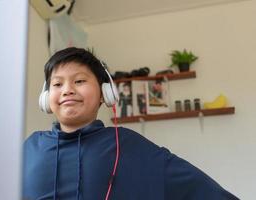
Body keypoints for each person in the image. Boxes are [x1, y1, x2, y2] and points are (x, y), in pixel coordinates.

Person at [22, 47, 239, 200]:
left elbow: (197, 188)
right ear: (46, 97)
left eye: (79, 81)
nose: (67, 89)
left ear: (104, 94)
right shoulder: (29, 148)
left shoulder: (127, 145)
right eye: (58, 83)